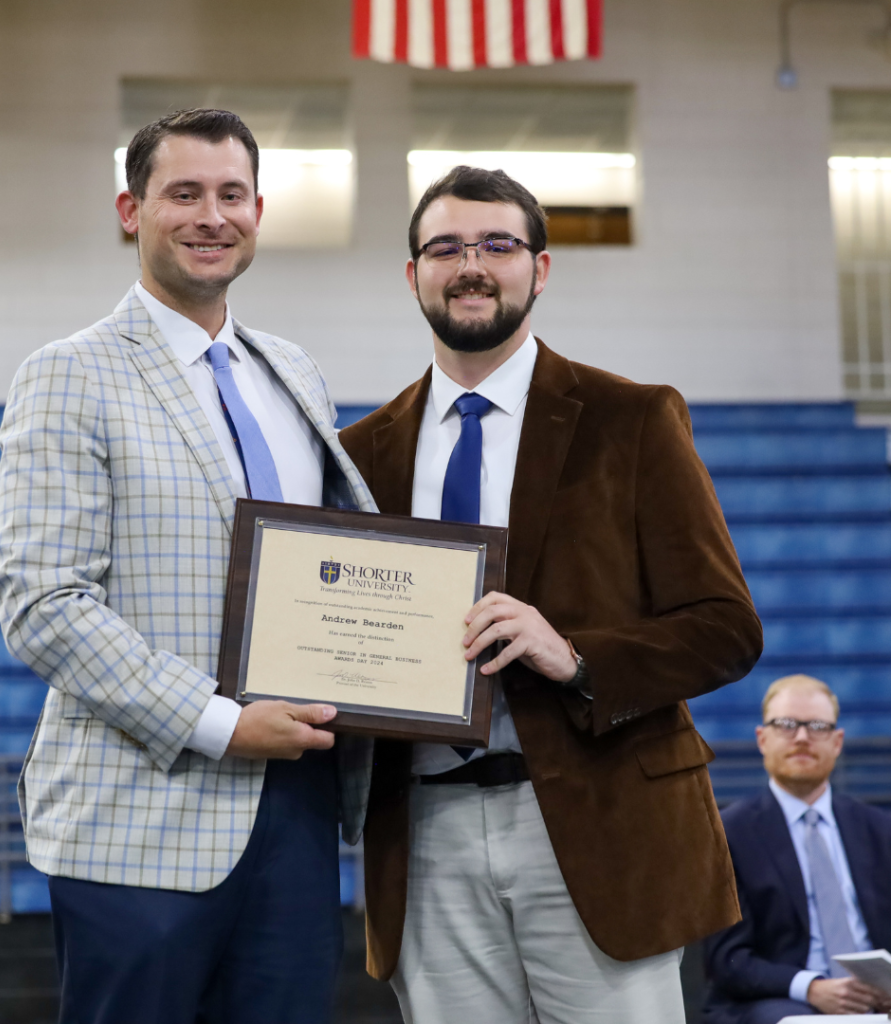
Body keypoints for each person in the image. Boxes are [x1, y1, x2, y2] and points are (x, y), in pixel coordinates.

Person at [338, 164, 764, 1024]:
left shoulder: (631, 418)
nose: (472, 265)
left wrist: (575, 658)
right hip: (424, 835)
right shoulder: (358, 452)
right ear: (412, 272)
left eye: (499, 244)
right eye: (446, 247)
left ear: (540, 267)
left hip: (596, 820)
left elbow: (725, 629)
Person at [0, 108, 376, 1024]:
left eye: (232, 194)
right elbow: (43, 601)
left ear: (258, 210)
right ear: (131, 210)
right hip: (140, 819)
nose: (213, 215)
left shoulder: (293, 373)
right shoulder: (68, 373)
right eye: (185, 194)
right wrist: (216, 723)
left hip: (295, 807)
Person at [703, 674, 891, 1023]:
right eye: (786, 724)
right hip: (780, 1000)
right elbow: (726, 959)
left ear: (837, 742)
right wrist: (812, 987)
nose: (802, 737)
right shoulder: (728, 834)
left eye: (817, 726)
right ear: (762, 738)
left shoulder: (880, 830)